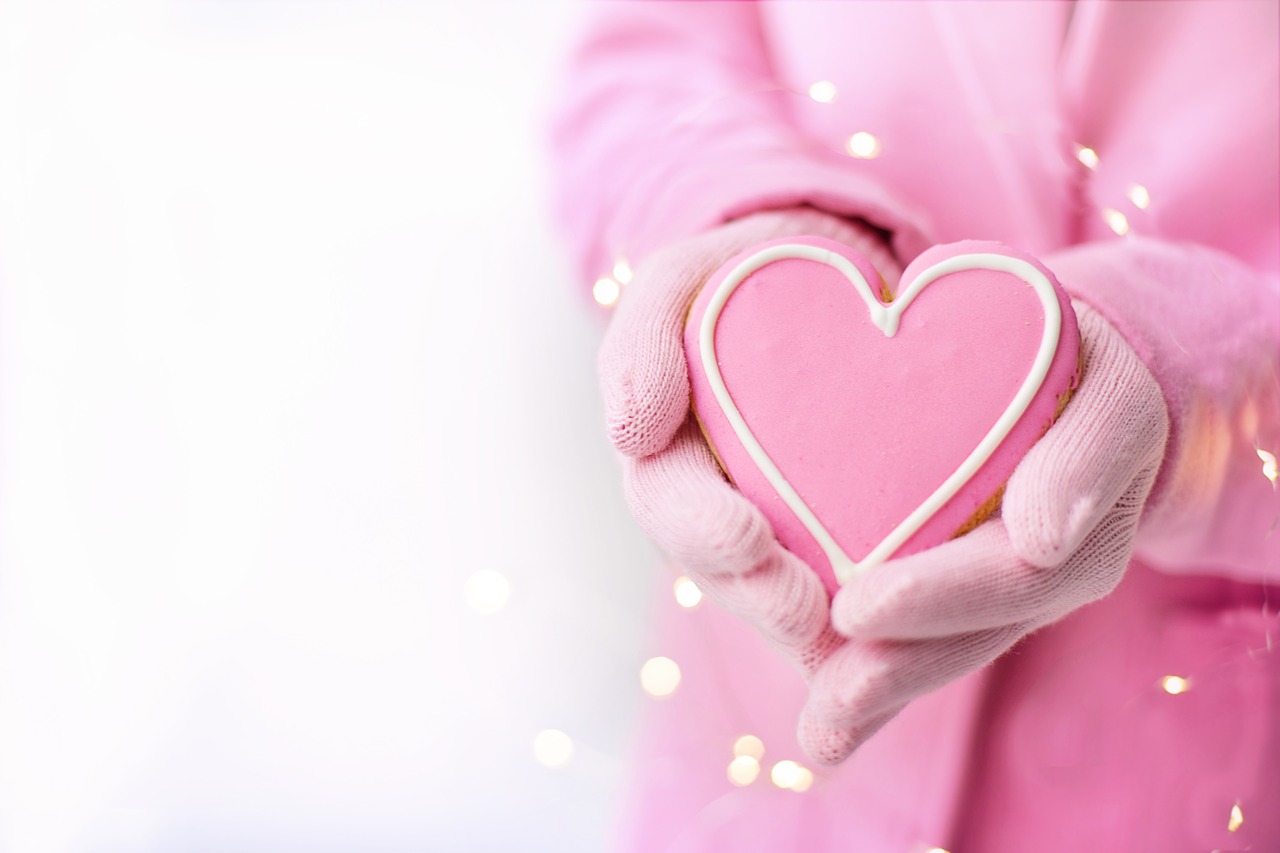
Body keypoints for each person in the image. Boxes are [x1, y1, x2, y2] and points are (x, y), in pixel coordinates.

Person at [549, 2, 1280, 849]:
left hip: (1189, 785)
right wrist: (728, 217)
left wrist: (1219, 399)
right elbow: (649, 50)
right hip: (754, 777)